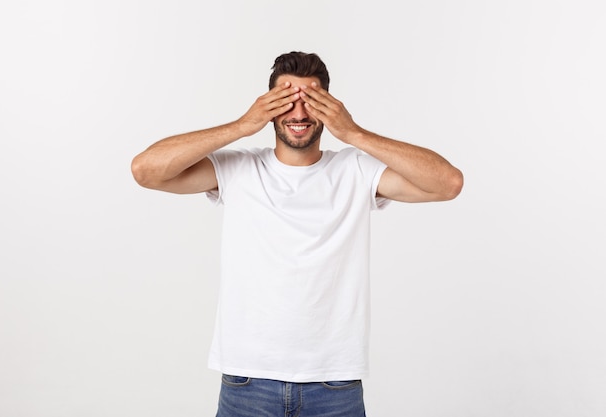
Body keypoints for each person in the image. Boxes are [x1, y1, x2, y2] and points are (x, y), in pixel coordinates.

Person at [131, 51, 463, 417]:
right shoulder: (238, 169)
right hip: (248, 381)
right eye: (286, 100)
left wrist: (353, 133)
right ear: (269, 106)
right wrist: (243, 125)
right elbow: (146, 170)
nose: (300, 114)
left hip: (334, 383)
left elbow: (447, 183)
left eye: (311, 101)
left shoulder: (355, 171)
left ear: (329, 107)